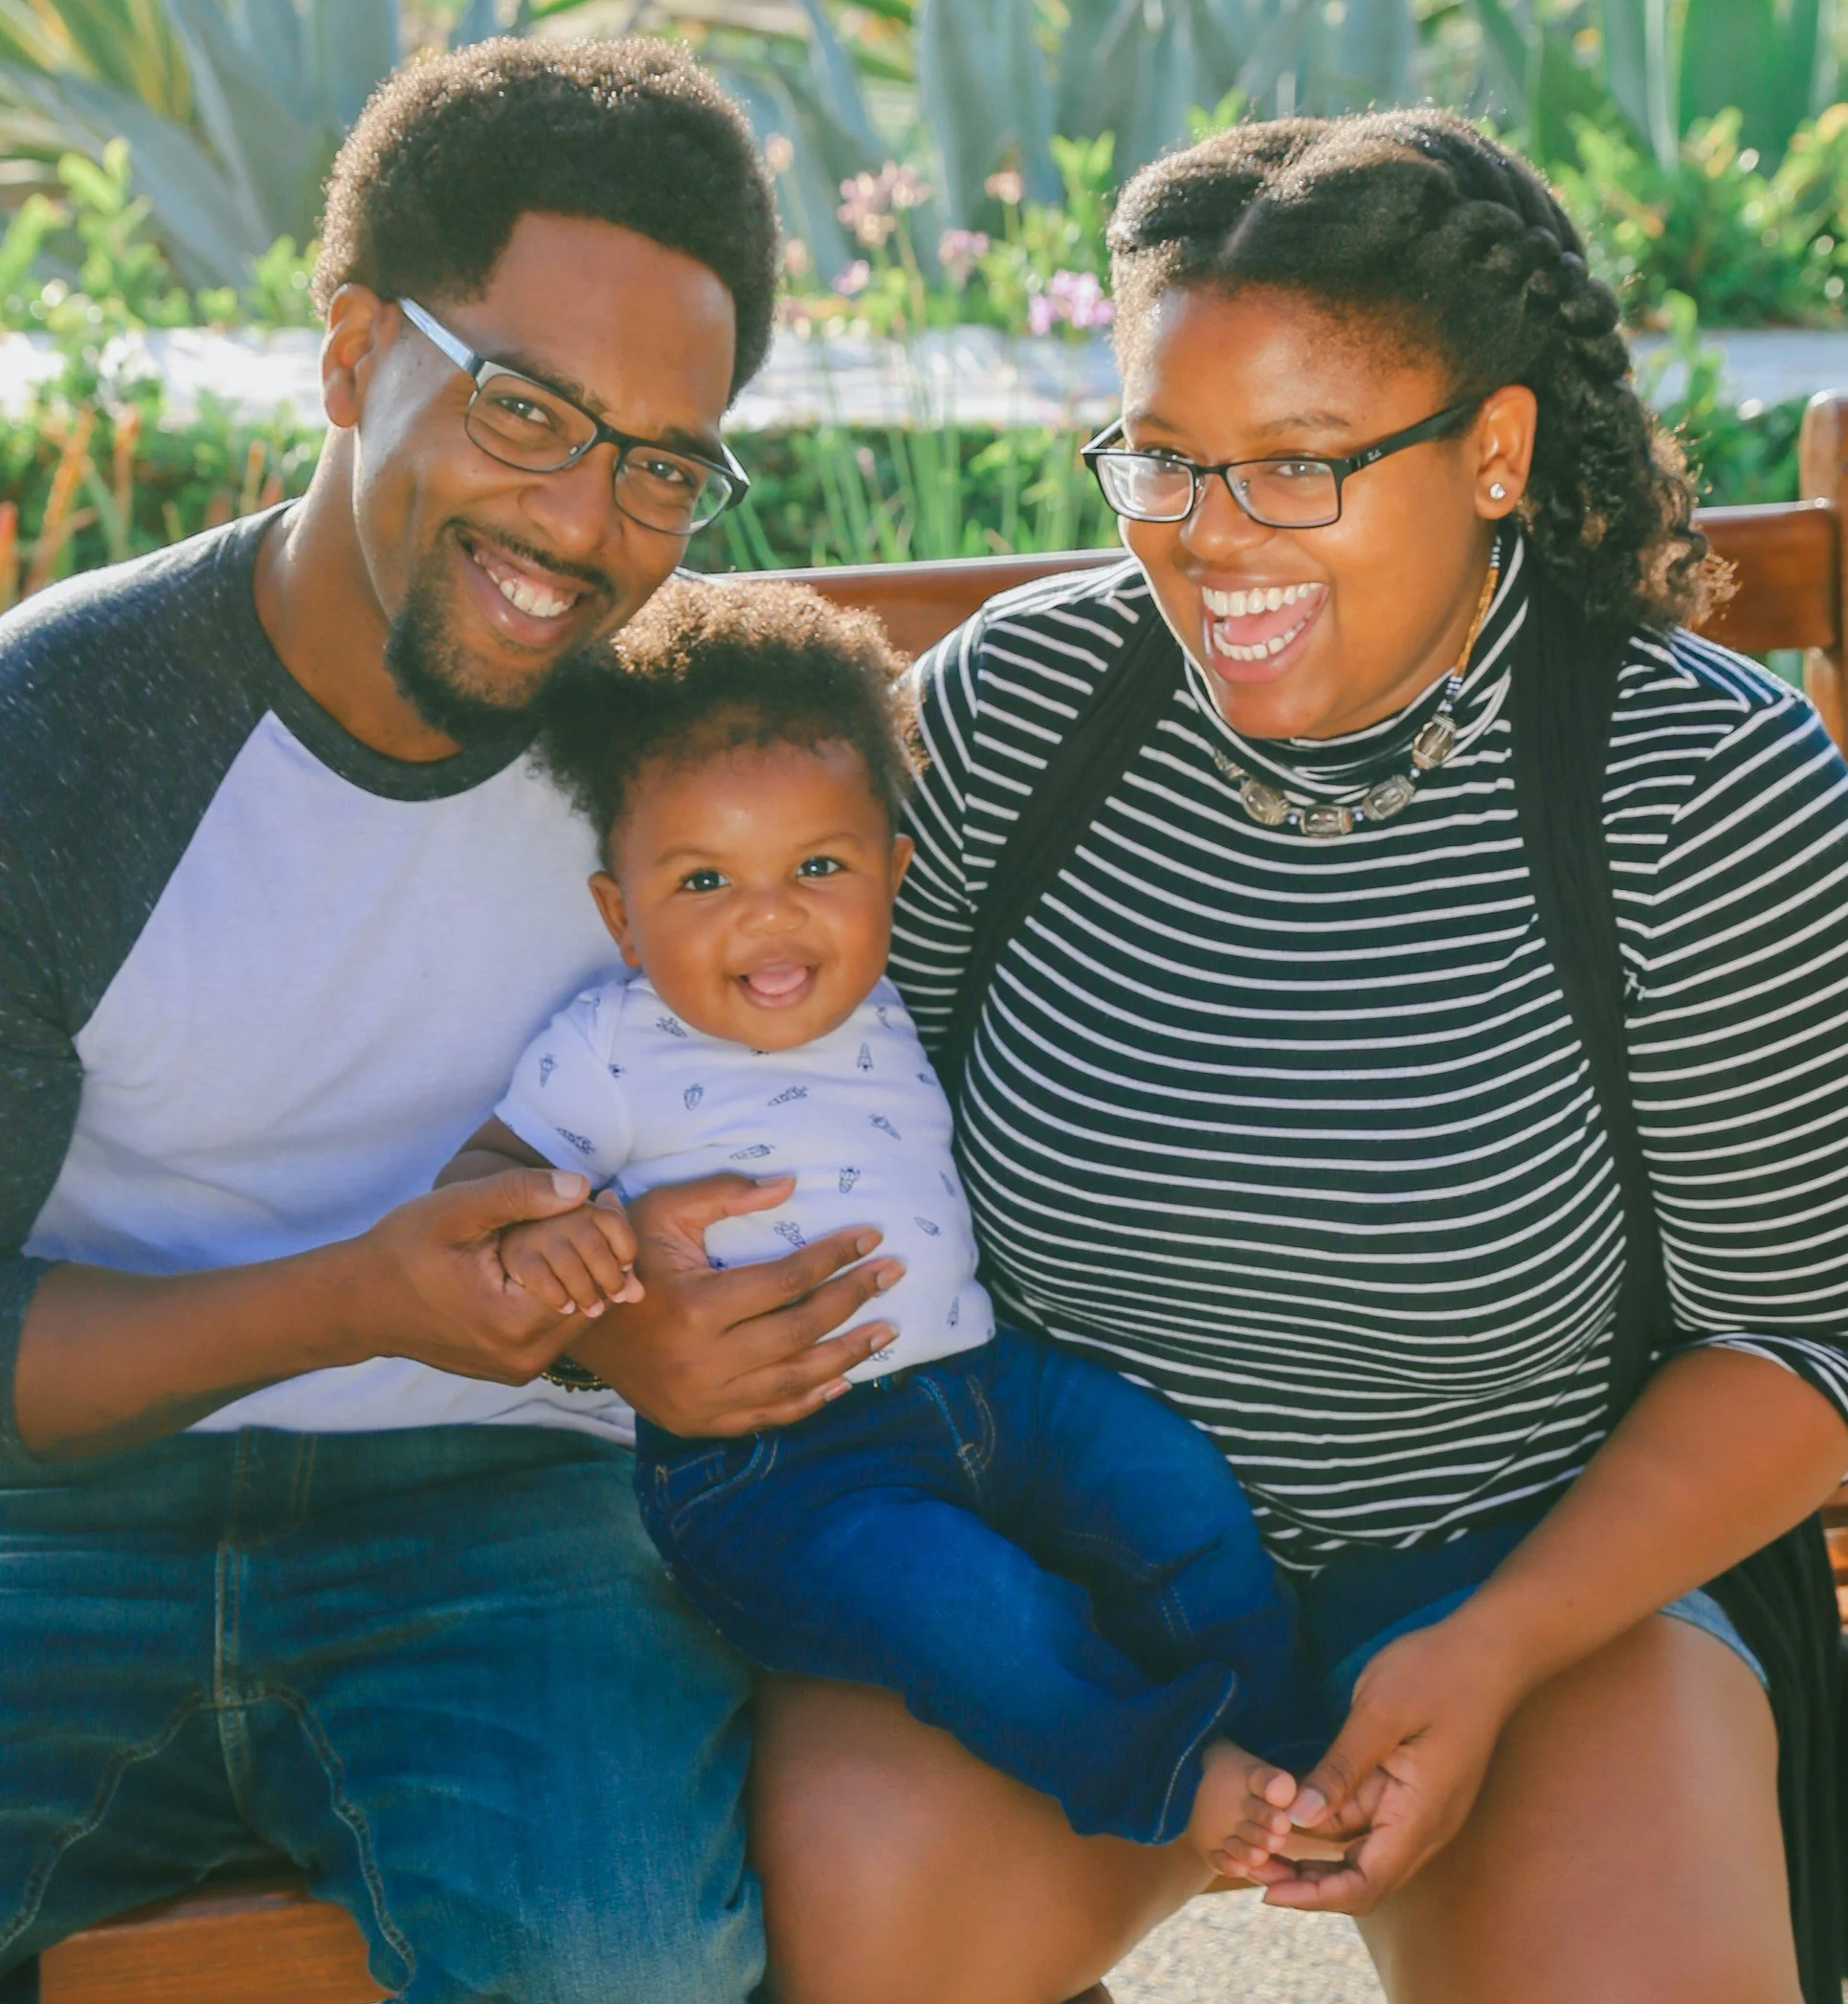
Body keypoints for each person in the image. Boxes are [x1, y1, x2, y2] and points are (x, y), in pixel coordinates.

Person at [752, 111, 1848, 2004]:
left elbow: (1802, 1340)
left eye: (1297, 464)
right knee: (850, 1925)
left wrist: (1495, 1647)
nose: (1205, 533)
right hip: (1067, 1570)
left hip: (1528, 1544)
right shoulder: (1023, 713)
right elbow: (795, 1094)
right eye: (1161, 456)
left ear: (1494, 451)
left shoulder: (1694, 785)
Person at [0, 38, 900, 2004]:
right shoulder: (60, 738)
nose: (587, 524)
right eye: (527, 409)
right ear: (347, 354)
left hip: (511, 1528)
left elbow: (826, 1136)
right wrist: (354, 1296)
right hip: (53, 1522)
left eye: (666, 464)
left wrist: (651, 1344)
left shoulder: (689, 768)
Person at [439, 575, 1321, 1852]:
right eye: (701, 883)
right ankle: (1163, 1775)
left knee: (1167, 1486)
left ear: (889, 875)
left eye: (815, 866)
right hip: (776, 1471)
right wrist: (551, 1233)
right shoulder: (609, 1052)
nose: (769, 913)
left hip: (984, 1387)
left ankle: (1285, 1739)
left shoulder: (893, 997)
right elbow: (474, 1186)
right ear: (619, 916)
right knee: (973, 1611)